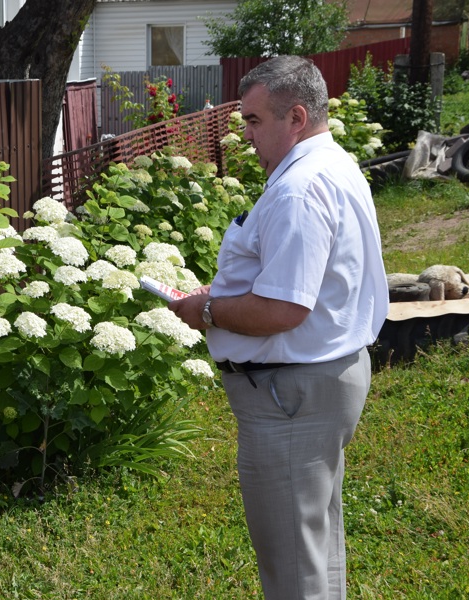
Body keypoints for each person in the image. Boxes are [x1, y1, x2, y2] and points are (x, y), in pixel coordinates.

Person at [169, 56, 389, 599]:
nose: (247, 137)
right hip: (317, 381)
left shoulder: (299, 188)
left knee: (294, 567)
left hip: (289, 394)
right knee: (314, 548)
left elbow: (283, 309)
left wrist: (207, 311)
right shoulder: (334, 164)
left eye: (252, 122)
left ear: (295, 116)